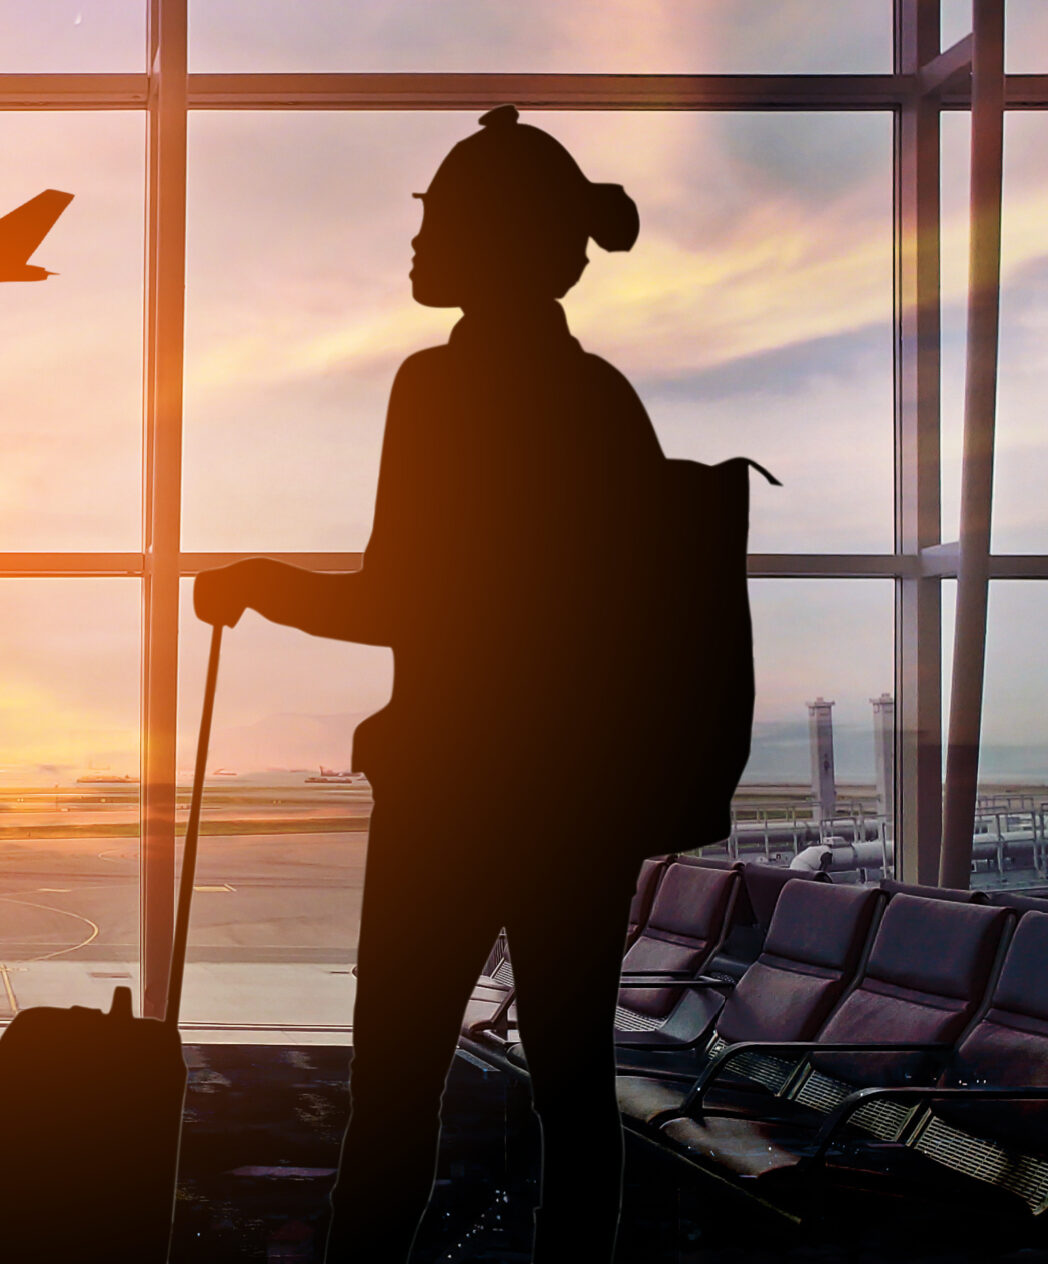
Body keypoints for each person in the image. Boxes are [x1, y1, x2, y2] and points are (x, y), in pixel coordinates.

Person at [194, 106, 655, 1264]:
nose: (414, 241)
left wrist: (260, 582)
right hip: (578, 798)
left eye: (438, 217)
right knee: (573, 1081)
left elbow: (405, 600)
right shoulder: (602, 399)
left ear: (492, 238)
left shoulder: (442, 387)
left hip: (454, 786)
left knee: (393, 1081)